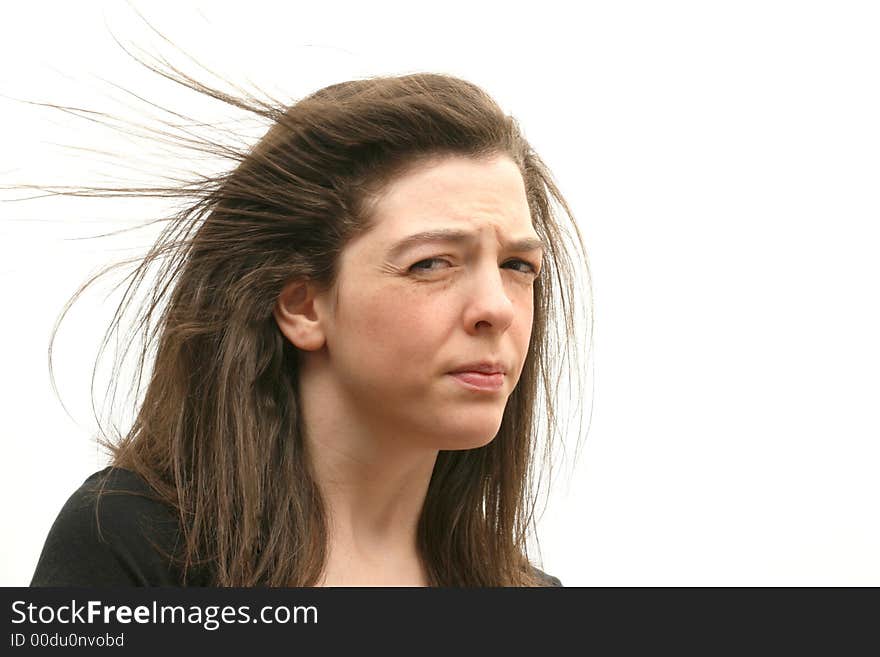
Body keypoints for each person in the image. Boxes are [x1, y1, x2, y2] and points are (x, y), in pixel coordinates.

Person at [29, 69, 591, 587]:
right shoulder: (130, 543)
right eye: (432, 263)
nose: (497, 308)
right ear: (303, 307)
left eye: (518, 266)